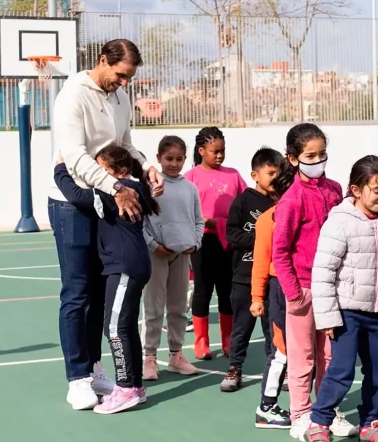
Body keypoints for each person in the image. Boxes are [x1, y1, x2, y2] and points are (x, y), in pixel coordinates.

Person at [48, 39, 164, 411]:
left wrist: (146, 167)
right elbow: (74, 156)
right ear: (102, 62)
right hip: (73, 202)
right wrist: (115, 186)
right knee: (77, 291)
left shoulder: (120, 97)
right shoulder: (72, 97)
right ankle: (77, 377)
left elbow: (124, 144)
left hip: (106, 197)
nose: (124, 83)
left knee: (100, 290)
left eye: (129, 78)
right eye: (120, 75)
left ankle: (95, 366)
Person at [304, 155, 378, 442]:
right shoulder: (340, 222)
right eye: (376, 190)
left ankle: (371, 424)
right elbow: (323, 272)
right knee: (340, 372)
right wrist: (327, 316)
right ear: (356, 190)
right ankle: (319, 423)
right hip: (346, 313)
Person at [54, 144, 159, 414]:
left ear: (120, 171)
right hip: (135, 264)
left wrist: (60, 168)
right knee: (125, 326)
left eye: (102, 170)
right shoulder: (136, 187)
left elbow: (75, 195)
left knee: (114, 328)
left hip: (123, 266)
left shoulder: (115, 191)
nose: (97, 176)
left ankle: (124, 389)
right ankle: (135, 386)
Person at [272, 123, 357, 442]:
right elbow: (280, 251)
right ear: (293, 159)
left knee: (330, 355)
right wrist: (294, 294)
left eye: (322, 154)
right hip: (303, 291)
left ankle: (327, 411)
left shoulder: (335, 190)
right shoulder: (292, 199)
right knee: (302, 354)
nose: (318, 160)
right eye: (311, 155)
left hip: (332, 289)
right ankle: (300, 413)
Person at [220, 147, 282, 393]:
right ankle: (235, 368)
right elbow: (232, 234)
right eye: (270, 173)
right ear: (255, 175)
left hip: (273, 278)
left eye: (279, 174)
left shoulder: (282, 202)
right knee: (242, 328)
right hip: (244, 278)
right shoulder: (243, 201)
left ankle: (277, 370)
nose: (275, 179)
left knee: (274, 330)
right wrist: (261, 237)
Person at [141, 136, 203, 380]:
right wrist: (153, 245)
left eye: (179, 159)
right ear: (158, 159)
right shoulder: (149, 186)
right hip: (156, 255)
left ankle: (176, 355)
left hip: (181, 255)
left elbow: (198, 220)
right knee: (153, 308)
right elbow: (141, 222)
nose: (174, 164)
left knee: (178, 308)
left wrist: (195, 242)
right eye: (169, 159)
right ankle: (150, 358)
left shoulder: (189, 188)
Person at [185, 127, 247, 360]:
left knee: (227, 291)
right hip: (203, 241)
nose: (220, 156)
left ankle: (228, 340)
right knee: (202, 290)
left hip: (228, 242)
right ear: (202, 151)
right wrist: (204, 222)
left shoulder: (233, 175)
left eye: (222, 151)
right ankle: (201, 342)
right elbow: (185, 210)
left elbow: (244, 203)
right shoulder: (190, 177)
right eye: (214, 151)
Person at [250, 169, 292, 429]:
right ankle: (266, 407)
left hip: (306, 286)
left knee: (309, 351)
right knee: (281, 350)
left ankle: (311, 407)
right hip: (279, 288)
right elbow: (261, 262)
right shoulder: (267, 220)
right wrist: (257, 297)